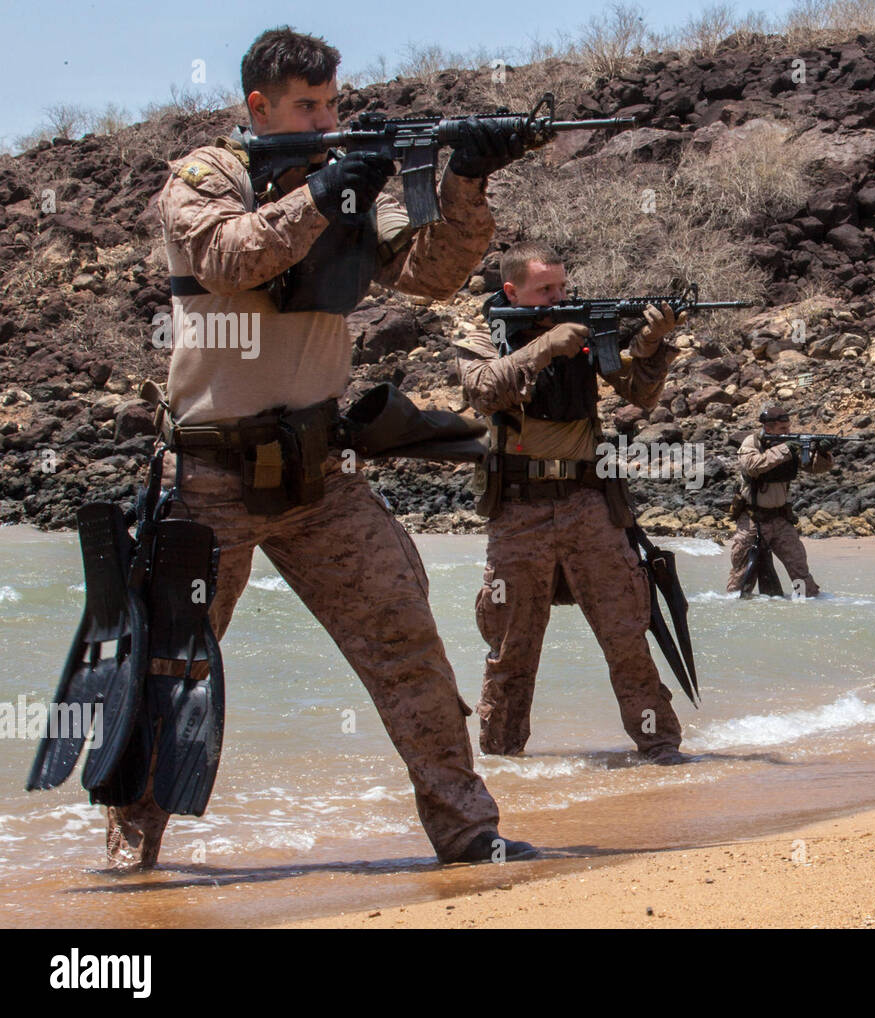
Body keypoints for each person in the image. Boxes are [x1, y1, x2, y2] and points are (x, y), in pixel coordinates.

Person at [110, 26, 534, 868]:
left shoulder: (343, 177)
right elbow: (232, 257)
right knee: (172, 666)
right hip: (210, 473)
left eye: (333, 104)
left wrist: (468, 183)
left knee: (407, 642)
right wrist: (328, 185)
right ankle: (133, 859)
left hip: (319, 472)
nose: (325, 119)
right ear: (257, 106)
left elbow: (430, 273)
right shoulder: (203, 178)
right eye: (307, 106)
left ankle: (468, 834)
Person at [454, 241, 692, 764]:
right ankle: (501, 760)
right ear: (513, 291)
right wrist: (546, 346)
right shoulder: (483, 336)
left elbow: (640, 394)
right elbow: (484, 392)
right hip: (518, 510)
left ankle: (661, 749)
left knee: (627, 632)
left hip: (589, 504)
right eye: (546, 290)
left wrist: (651, 343)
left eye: (563, 287)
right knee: (512, 647)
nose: (560, 297)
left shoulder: (586, 334)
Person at [725, 404, 832, 597]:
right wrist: (785, 449)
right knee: (741, 574)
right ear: (768, 428)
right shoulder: (752, 443)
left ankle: (804, 601)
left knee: (799, 568)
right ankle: (735, 610)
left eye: (788, 428)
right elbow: (753, 466)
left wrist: (823, 453)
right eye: (783, 429)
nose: (788, 432)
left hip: (781, 519)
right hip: (753, 520)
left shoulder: (790, 445)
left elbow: (814, 468)